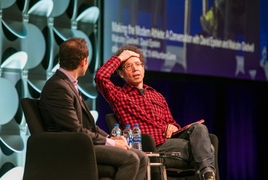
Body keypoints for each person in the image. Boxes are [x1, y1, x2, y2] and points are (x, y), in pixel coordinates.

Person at [95, 45, 216, 180]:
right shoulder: (119, 96)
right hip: (152, 145)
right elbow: (100, 77)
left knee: (199, 129)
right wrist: (120, 57)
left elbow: (171, 122)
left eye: (138, 64)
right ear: (121, 73)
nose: (135, 68)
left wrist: (173, 126)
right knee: (207, 148)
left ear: (143, 68)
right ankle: (208, 175)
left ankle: (207, 175)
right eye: (128, 66)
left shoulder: (157, 95)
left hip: (170, 140)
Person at [38, 38, 148, 180]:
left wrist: (110, 138)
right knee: (131, 158)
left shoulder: (68, 84)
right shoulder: (58, 87)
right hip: (71, 148)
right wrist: (112, 144)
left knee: (141, 157)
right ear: (84, 61)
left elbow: (89, 125)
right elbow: (75, 131)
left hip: (82, 143)